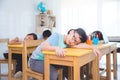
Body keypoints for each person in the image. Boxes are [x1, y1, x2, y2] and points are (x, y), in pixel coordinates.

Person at [29, 28, 101, 80]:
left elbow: (81, 46)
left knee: (68, 66)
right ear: (71, 32)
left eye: (75, 42)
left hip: (50, 61)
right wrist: (56, 48)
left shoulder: (69, 43)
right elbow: (43, 47)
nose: (72, 41)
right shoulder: (57, 36)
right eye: (73, 37)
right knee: (53, 74)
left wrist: (93, 47)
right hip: (36, 61)